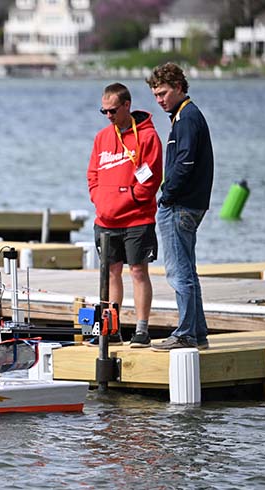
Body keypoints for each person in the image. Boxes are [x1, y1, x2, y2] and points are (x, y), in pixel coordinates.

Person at [86, 83, 163, 348]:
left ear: (127, 105)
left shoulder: (148, 137)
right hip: (105, 219)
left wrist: (129, 198)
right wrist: (99, 198)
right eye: (104, 111)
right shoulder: (102, 137)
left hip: (137, 218)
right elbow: (92, 175)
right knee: (111, 272)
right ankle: (112, 329)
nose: (108, 116)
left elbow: (151, 179)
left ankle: (142, 329)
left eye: (112, 110)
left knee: (138, 271)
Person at [146, 62, 214, 351]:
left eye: (162, 93)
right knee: (188, 270)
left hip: (180, 205)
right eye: (155, 95)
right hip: (191, 203)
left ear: (178, 87)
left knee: (178, 272)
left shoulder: (186, 118)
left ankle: (185, 332)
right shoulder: (186, 115)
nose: (159, 100)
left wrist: (167, 195)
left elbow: (185, 163)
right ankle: (197, 332)